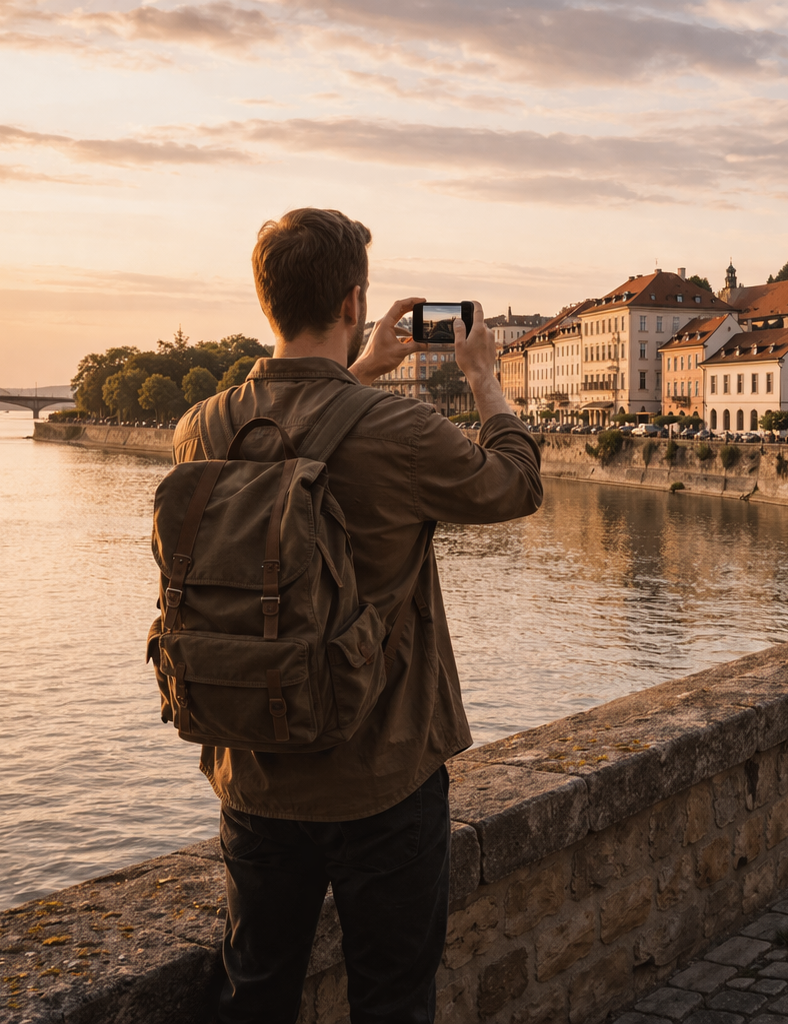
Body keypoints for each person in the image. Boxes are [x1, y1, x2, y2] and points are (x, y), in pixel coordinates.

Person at [171, 208, 542, 1023]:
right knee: (392, 999)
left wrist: (358, 370)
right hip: (383, 773)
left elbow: (293, 433)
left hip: (255, 769)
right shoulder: (400, 431)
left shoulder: (201, 428)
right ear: (353, 302)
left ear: (268, 301)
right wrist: (485, 381)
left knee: (255, 992)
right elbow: (515, 485)